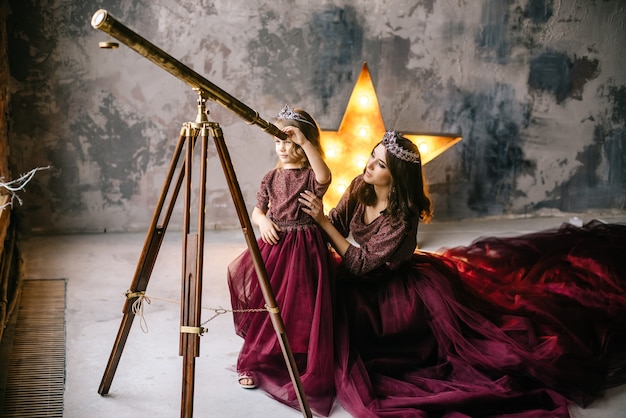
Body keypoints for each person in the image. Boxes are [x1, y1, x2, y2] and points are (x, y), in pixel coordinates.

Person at [299, 130, 626, 417]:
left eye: (380, 164)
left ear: (397, 176)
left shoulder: (401, 217)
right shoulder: (360, 186)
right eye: (372, 157)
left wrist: (323, 223)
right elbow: (338, 224)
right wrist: (309, 225)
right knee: (317, 303)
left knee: (375, 341)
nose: (369, 165)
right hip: (360, 275)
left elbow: (358, 261)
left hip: (394, 290)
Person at [227, 105, 335, 416]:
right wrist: (262, 221)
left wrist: (304, 141)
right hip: (276, 246)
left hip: (305, 249)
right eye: (278, 141)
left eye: (289, 141)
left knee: (302, 305)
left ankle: (300, 360)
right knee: (268, 304)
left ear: (304, 143)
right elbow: (257, 210)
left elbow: (326, 175)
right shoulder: (270, 177)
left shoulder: (311, 176)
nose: (283, 148)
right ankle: (257, 360)